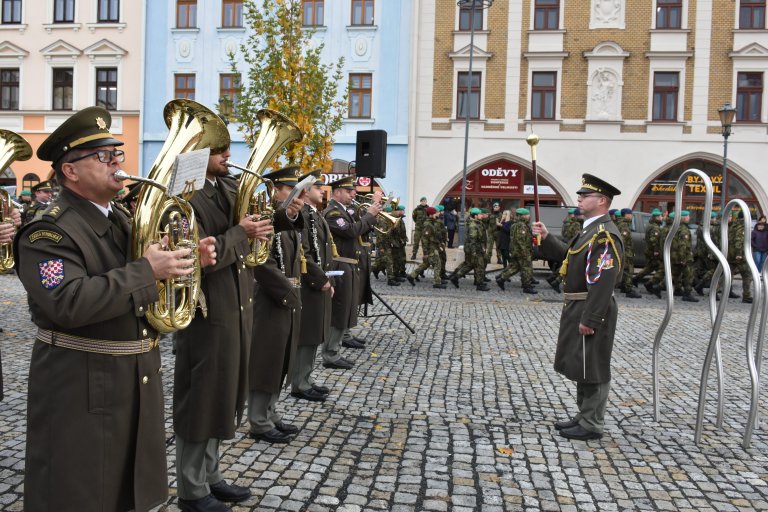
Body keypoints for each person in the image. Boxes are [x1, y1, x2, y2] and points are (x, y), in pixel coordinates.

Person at [14, 106, 216, 511]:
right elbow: (68, 302)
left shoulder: (123, 218)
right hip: (82, 385)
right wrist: (148, 271)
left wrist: (187, 261)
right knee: (80, 491)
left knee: (128, 490)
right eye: (104, 157)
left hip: (134, 375)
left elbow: (143, 281)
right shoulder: (48, 230)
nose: (118, 164)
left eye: (118, 154)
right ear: (70, 171)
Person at [173, 138, 274, 512]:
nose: (228, 156)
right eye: (219, 151)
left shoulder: (230, 187)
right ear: (197, 155)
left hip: (238, 304)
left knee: (226, 395)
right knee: (200, 399)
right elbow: (196, 255)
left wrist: (270, 221)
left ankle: (211, 474)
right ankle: (191, 487)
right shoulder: (183, 195)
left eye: (227, 148)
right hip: (206, 310)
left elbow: (254, 232)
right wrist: (241, 234)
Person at [533, 173, 624, 441]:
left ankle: (592, 423)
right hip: (578, 303)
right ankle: (584, 416)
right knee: (582, 363)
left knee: (593, 365)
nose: (580, 198)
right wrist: (548, 237)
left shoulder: (605, 235)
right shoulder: (590, 231)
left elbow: (603, 280)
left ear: (602, 201)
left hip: (591, 305)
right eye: (581, 194)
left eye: (586, 196)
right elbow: (569, 258)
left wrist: (592, 317)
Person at [249, 166, 307, 444]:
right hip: (270, 297)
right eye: (290, 191)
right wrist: (286, 292)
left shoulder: (287, 220)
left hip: (287, 294)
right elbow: (262, 262)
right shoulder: (265, 218)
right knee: (267, 358)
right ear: (275, 190)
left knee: (282, 357)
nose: (296, 197)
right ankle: (258, 420)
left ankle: (270, 412)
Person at [322, 176, 381, 369]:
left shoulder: (345, 211)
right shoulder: (332, 213)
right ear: (337, 191)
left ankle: (336, 349)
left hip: (349, 264)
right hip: (340, 266)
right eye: (349, 191)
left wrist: (371, 218)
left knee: (346, 308)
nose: (353, 194)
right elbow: (349, 231)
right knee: (339, 310)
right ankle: (330, 353)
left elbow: (359, 230)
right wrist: (368, 216)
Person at [291, 170, 334, 402]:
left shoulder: (314, 214)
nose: (322, 191)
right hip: (309, 283)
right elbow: (304, 252)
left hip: (317, 281)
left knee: (314, 332)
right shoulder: (304, 216)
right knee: (307, 334)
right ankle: (299, 382)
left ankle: (305, 378)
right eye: (318, 188)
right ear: (306, 191)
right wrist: (321, 280)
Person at [496, 208, 537, 294]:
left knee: (515, 267)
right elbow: (520, 240)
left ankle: (502, 278)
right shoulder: (521, 225)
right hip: (521, 251)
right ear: (523, 216)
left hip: (516, 251)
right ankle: (527, 287)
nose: (529, 216)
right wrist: (525, 252)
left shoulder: (515, 224)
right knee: (527, 268)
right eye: (527, 214)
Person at [449, 207, 489, 291]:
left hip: (475, 248)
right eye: (480, 214)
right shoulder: (473, 225)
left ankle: (456, 277)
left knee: (470, 264)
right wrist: (474, 252)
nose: (481, 215)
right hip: (474, 249)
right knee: (479, 265)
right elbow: (473, 240)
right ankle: (479, 284)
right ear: (475, 216)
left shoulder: (476, 223)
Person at [406, 207, 445, 288]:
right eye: (435, 213)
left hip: (434, 246)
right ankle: (437, 282)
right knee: (438, 264)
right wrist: (425, 252)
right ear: (431, 214)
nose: (437, 214)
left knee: (426, 264)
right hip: (431, 248)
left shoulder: (432, 222)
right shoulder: (427, 224)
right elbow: (424, 239)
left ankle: (412, 275)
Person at [616, 208, 641, 298]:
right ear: (626, 215)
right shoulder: (624, 226)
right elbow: (622, 240)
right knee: (628, 270)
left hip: (625, 251)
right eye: (630, 214)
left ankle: (624, 286)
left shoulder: (623, 224)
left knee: (625, 270)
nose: (631, 216)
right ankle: (628, 289)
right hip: (626, 252)